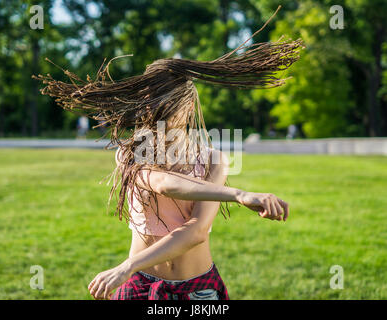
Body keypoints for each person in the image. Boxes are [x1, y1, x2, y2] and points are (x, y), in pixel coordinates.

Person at [34, 8, 303, 300]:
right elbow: (165, 184)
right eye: (148, 104)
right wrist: (239, 195)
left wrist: (127, 266)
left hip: (199, 290)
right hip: (140, 285)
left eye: (164, 106)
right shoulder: (130, 154)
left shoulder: (214, 159)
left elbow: (196, 232)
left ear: (187, 108)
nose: (152, 113)